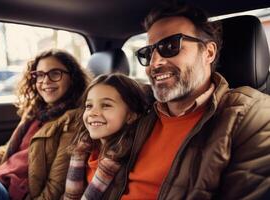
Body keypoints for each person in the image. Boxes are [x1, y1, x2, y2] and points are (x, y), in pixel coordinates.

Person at [102, 2, 270, 200]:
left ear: (208, 53)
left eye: (171, 46)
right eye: (148, 53)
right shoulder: (139, 109)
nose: (154, 64)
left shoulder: (253, 116)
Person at [0, 49, 90, 200]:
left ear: (72, 78)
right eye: (40, 74)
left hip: (13, 194)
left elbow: (56, 185)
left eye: (55, 73)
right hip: (0, 178)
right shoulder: (36, 112)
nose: (45, 81)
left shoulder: (72, 122)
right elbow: (8, 148)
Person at [63, 73, 147, 200]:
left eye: (106, 105)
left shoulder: (131, 159)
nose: (93, 113)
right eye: (89, 106)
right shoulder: (82, 150)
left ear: (131, 115)